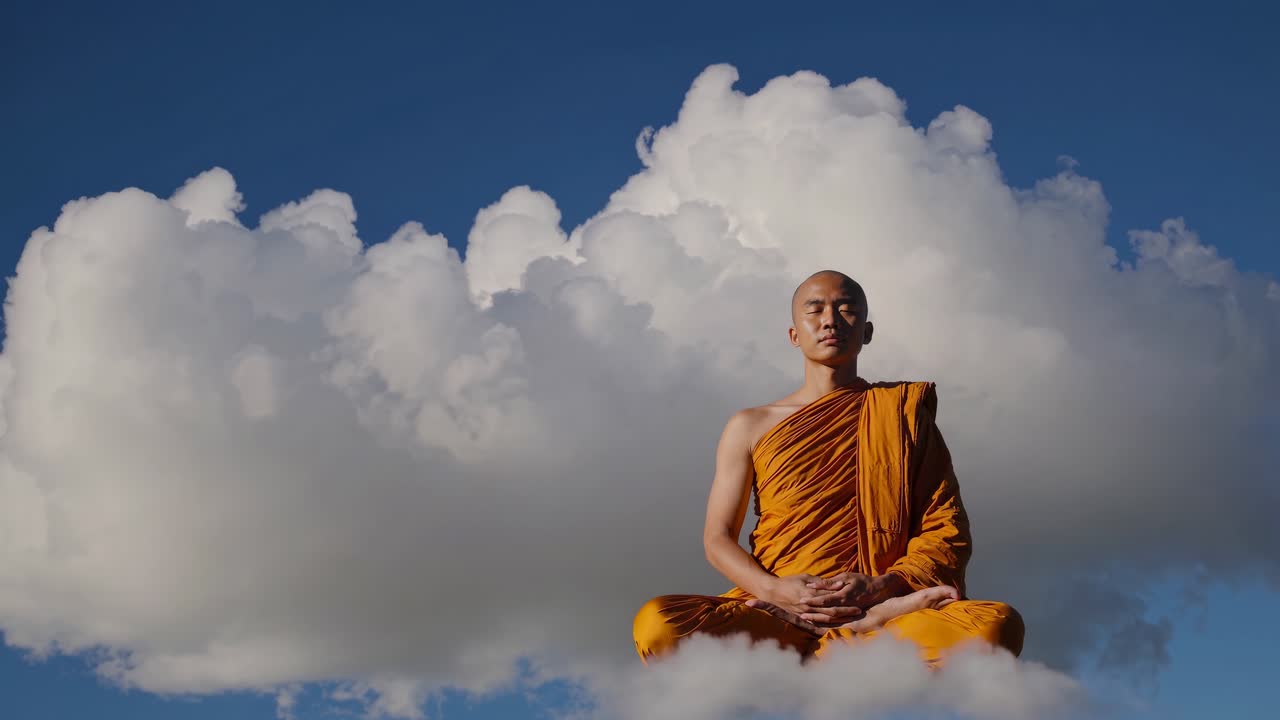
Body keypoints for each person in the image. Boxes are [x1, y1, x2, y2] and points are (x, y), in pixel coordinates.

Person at [632, 270, 1024, 665]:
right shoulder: (750, 425)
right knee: (659, 626)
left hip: (880, 610)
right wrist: (774, 591)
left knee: (996, 628)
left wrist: (884, 587)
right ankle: (827, 644)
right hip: (777, 611)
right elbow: (717, 539)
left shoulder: (903, 415)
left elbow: (944, 527)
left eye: (846, 310)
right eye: (815, 310)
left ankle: (859, 627)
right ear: (794, 334)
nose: (830, 320)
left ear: (867, 332)